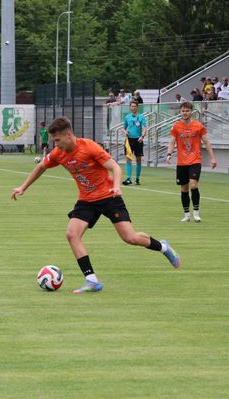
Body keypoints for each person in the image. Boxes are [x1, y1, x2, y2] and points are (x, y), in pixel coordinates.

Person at [10, 116, 181, 294]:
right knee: (72, 234)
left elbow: (115, 167)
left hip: (109, 196)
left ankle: (163, 247)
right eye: (54, 141)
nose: (56, 144)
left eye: (57, 140)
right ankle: (91, 281)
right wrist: (23, 187)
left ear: (68, 134)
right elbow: (41, 167)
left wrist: (116, 186)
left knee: (130, 238)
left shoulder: (89, 147)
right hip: (86, 200)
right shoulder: (58, 153)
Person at [166, 102, 217, 222]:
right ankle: (186, 215)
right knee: (184, 188)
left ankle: (196, 213)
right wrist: (169, 154)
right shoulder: (176, 127)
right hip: (181, 162)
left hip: (195, 160)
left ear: (191, 112)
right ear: (180, 112)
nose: (185, 113)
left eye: (187, 111)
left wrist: (212, 158)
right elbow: (172, 142)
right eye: (183, 111)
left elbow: (206, 142)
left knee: (193, 185)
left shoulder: (198, 126)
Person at [122, 100, 147, 185]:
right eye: (132, 106)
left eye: (135, 106)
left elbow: (144, 128)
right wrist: (125, 132)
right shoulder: (127, 117)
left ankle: (137, 178)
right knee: (128, 159)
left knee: (138, 159)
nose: (133, 108)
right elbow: (124, 128)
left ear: (137, 107)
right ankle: (128, 178)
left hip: (138, 140)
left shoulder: (141, 117)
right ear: (130, 107)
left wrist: (142, 136)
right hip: (129, 140)